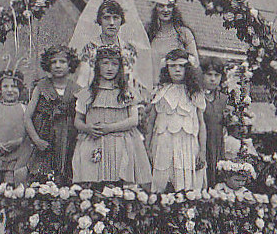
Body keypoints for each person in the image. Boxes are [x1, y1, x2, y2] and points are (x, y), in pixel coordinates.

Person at [72, 46, 152, 186]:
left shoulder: (127, 92)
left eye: (114, 64)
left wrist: (109, 128)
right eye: (105, 63)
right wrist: (87, 128)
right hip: (94, 141)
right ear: (98, 66)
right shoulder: (88, 93)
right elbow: (77, 120)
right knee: (93, 182)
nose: (110, 68)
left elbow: (133, 120)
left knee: (119, 182)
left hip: (120, 142)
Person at [70, 0, 154, 100]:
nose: (111, 23)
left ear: (121, 21)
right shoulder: (90, 49)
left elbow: (132, 82)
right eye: (107, 18)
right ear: (100, 20)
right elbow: (84, 81)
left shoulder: (128, 50)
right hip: (96, 101)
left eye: (116, 18)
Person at [143, 49, 206, 193]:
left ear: (188, 68)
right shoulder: (160, 91)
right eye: (172, 66)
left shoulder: (195, 93)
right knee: (162, 179)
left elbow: (202, 124)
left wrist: (202, 151)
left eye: (181, 66)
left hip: (187, 143)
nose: (177, 70)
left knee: (186, 184)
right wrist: (147, 146)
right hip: (163, 142)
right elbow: (151, 122)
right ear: (167, 68)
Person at [26, 45, 81, 185]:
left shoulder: (77, 90)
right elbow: (27, 117)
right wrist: (36, 140)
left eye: (62, 62)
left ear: (70, 65)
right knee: (41, 179)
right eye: (53, 62)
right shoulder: (41, 87)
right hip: (44, 140)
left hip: (68, 141)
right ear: (48, 65)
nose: (57, 65)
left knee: (66, 177)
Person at [0, 69, 38, 185]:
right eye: (5, 86)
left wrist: (19, 141)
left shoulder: (26, 109)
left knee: (10, 187)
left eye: (14, 87)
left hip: (16, 156)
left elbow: (30, 132)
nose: (10, 90)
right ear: (0, 90)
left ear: (20, 89)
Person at [146, 0, 200, 83]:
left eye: (169, 6)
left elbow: (195, 63)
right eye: (161, 5)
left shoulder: (184, 33)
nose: (165, 10)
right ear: (155, 8)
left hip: (177, 88)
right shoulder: (149, 34)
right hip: (153, 87)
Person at [201, 57, 229, 188]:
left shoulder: (224, 99)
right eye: (209, 75)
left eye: (216, 75)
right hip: (200, 143)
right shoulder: (196, 96)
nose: (213, 79)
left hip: (217, 143)